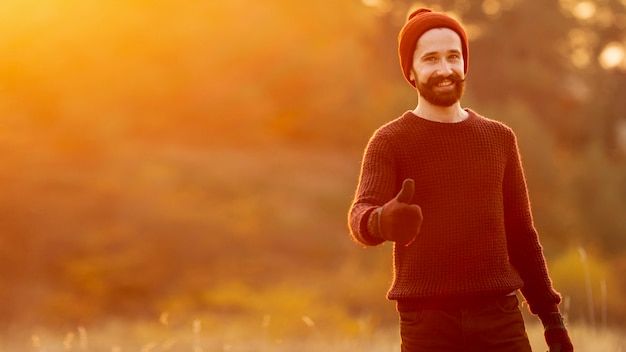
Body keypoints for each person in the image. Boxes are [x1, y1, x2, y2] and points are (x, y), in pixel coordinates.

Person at [347, 7, 573, 352]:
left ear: (465, 62)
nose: (445, 69)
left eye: (453, 57)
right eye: (431, 59)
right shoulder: (390, 140)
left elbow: (522, 235)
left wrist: (552, 319)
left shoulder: (499, 138)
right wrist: (380, 221)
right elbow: (360, 212)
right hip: (427, 324)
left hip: (500, 319)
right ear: (410, 69)